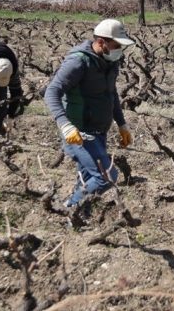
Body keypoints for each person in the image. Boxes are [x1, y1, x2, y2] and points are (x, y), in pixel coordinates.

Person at [44, 18, 135, 208]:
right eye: (117, 45)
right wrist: (65, 125)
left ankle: (78, 216)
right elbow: (52, 92)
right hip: (78, 131)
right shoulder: (78, 62)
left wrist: (121, 124)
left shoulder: (110, 62)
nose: (120, 50)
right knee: (107, 176)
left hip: (99, 129)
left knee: (86, 179)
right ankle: (69, 207)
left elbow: (111, 93)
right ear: (101, 42)